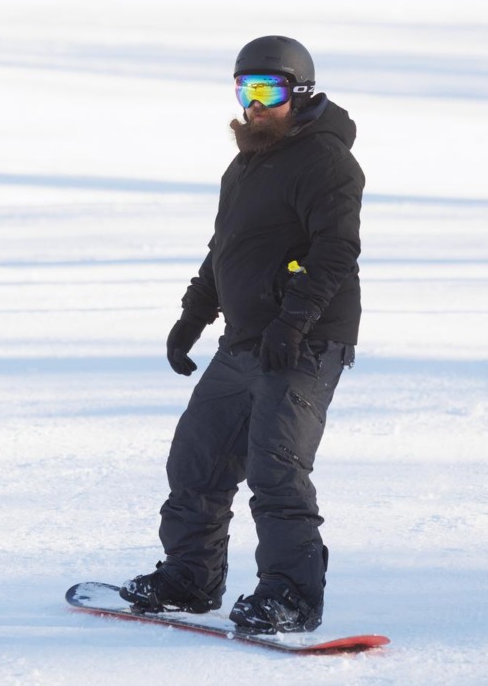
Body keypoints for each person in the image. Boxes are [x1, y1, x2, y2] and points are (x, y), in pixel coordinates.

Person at [119, 35, 364, 635]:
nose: (254, 103)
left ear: (299, 93)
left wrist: (292, 323)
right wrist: (193, 316)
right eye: (245, 89)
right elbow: (224, 249)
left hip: (304, 341)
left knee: (275, 468)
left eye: (268, 90)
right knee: (197, 460)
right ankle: (190, 577)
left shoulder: (327, 162)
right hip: (247, 339)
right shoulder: (247, 162)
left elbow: (335, 255)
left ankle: (290, 595)